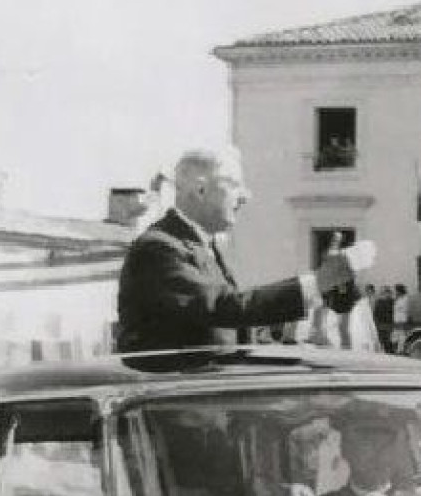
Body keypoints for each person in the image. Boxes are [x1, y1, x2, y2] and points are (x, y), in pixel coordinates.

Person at [116, 149, 357, 353]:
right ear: (200, 191)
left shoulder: (204, 246)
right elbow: (223, 308)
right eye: (234, 185)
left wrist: (289, 348)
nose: (245, 196)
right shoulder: (158, 248)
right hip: (173, 402)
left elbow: (229, 329)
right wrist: (317, 282)